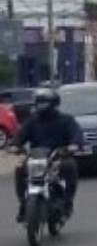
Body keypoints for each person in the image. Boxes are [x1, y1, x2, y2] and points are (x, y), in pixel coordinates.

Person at [9, 89, 83, 222]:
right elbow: (21, 134)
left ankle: (67, 202)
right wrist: (15, 145)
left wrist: (74, 144)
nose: (41, 106)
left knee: (70, 166)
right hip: (37, 157)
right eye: (39, 102)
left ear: (53, 103)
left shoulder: (66, 120)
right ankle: (24, 204)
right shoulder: (32, 121)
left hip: (58, 156)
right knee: (20, 170)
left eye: (44, 103)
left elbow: (76, 134)